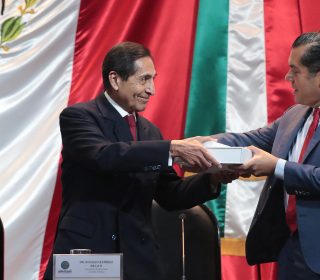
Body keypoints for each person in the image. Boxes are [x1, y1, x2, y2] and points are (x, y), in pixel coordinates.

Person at [44, 42, 237, 280]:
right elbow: (105, 156)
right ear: (115, 80)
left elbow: (169, 194)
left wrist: (210, 179)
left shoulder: (150, 132)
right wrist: (173, 148)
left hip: (138, 257)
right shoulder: (79, 117)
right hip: (88, 253)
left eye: (153, 79)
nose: (152, 89)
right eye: (144, 79)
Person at [213, 31, 320, 279]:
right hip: (293, 250)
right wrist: (200, 144)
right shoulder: (296, 113)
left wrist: (277, 166)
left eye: (295, 71)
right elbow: (248, 139)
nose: (288, 77)